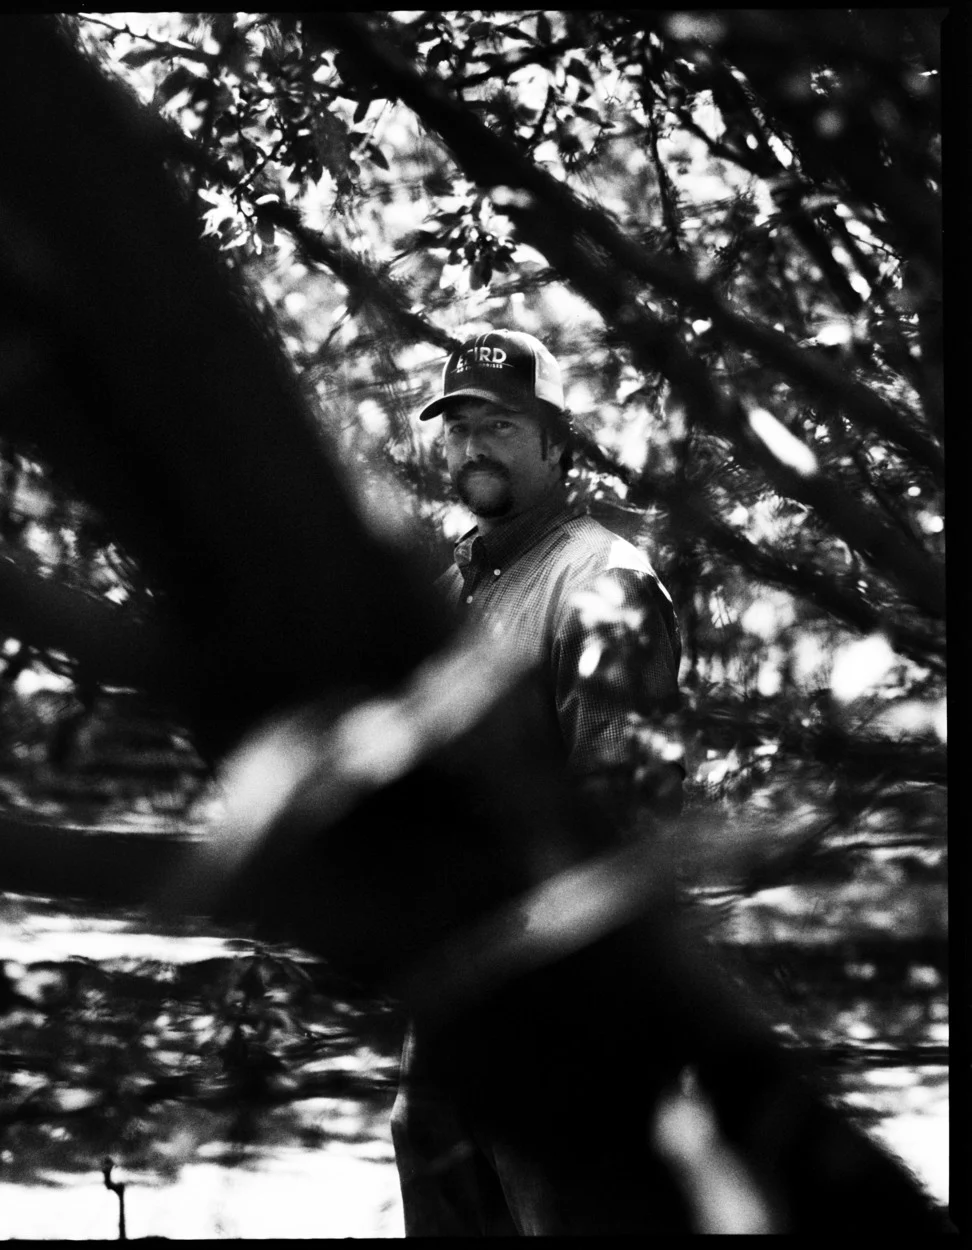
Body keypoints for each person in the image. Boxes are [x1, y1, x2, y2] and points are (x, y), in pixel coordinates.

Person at [390, 328, 688, 1235]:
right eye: (458, 427)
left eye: (502, 425)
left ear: (558, 442)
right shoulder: (455, 588)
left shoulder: (602, 586)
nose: (473, 445)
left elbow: (625, 814)